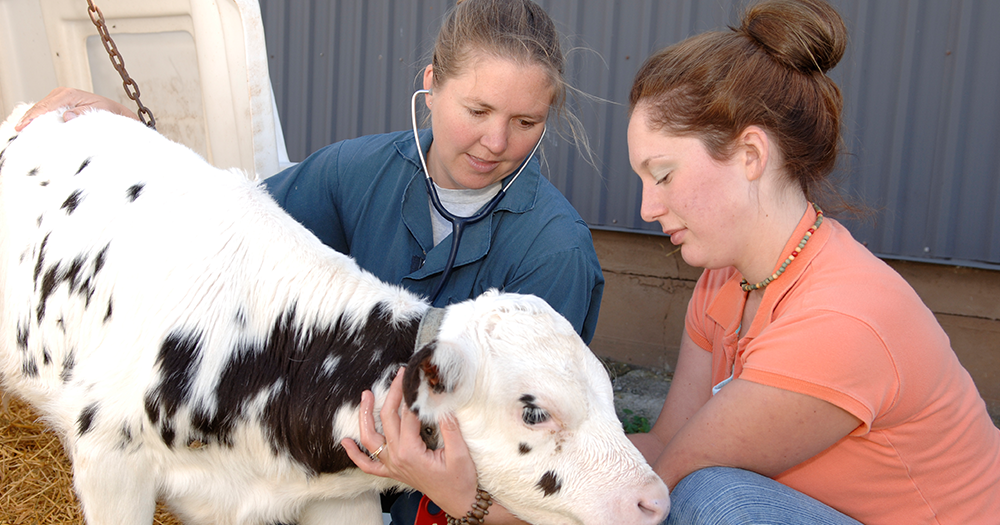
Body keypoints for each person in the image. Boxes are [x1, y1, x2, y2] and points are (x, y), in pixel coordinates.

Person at [16, 1, 603, 523]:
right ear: (432, 85)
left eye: (526, 123)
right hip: (323, 456)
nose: (496, 141)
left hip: (452, 503)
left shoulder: (555, 253)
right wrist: (114, 137)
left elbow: (551, 465)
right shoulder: (357, 171)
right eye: (477, 110)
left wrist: (457, 500)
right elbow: (230, 231)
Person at [623, 0, 1000, 524]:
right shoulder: (721, 284)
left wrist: (482, 506)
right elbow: (666, 443)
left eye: (662, 175)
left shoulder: (840, 317)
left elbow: (660, 486)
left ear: (751, 155)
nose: (647, 209)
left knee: (713, 501)